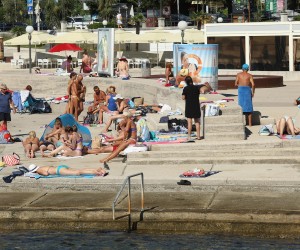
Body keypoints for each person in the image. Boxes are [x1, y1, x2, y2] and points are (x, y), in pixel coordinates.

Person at [182, 76, 201, 141]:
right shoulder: (196, 88)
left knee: (189, 122)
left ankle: (189, 136)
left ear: (186, 82)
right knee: (197, 122)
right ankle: (198, 136)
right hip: (196, 106)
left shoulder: (185, 88)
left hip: (189, 106)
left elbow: (183, 97)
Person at [28, 163, 107, 176]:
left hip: (59, 170)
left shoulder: (39, 170)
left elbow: (46, 174)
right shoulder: (41, 167)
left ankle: (97, 172)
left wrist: (38, 173)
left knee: (78, 172)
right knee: (79, 169)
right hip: (60, 167)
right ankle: (97, 169)